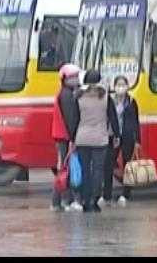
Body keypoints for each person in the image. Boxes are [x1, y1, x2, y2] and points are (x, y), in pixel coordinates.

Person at [74, 70, 120, 212]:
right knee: (98, 170)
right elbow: (113, 117)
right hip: (100, 138)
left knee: (85, 170)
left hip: (82, 138)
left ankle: (85, 200)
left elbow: (74, 119)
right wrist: (117, 135)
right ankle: (95, 200)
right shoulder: (105, 97)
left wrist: (72, 137)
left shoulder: (78, 97)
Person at [103, 75, 141, 207]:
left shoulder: (131, 101)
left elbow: (136, 121)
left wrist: (138, 140)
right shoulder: (110, 101)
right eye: (118, 84)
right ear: (114, 86)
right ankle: (106, 195)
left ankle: (126, 194)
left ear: (127, 86)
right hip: (112, 136)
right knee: (108, 165)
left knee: (127, 166)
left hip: (127, 137)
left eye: (123, 84)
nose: (120, 87)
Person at [50, 63, 83, 212]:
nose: (76, 79)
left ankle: (62, 201)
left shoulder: (66, 93)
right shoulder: (67, 95)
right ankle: (59, 201)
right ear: (64, 79)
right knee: (66, 169)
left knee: (65, 168)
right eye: (72, 77)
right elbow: (71, 119)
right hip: (66, 137)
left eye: (76, 76)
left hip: (62, 136)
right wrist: (73, 139)